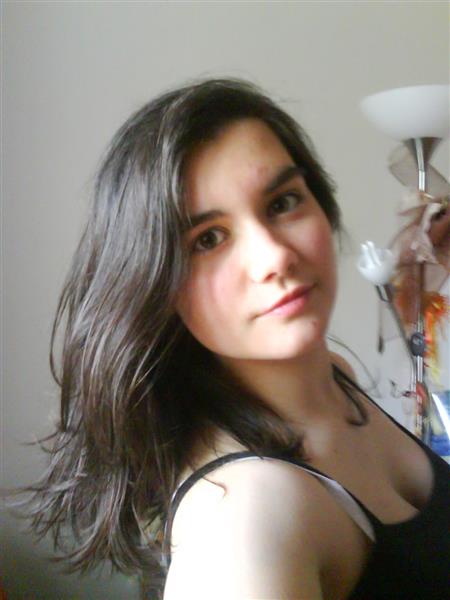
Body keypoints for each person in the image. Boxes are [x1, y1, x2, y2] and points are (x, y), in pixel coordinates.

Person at [6, 78, 450, 600]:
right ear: (156, 283)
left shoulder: (336, 377)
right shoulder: (244, 521)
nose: (274, 256)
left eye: (283, 202)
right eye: (208, 239)